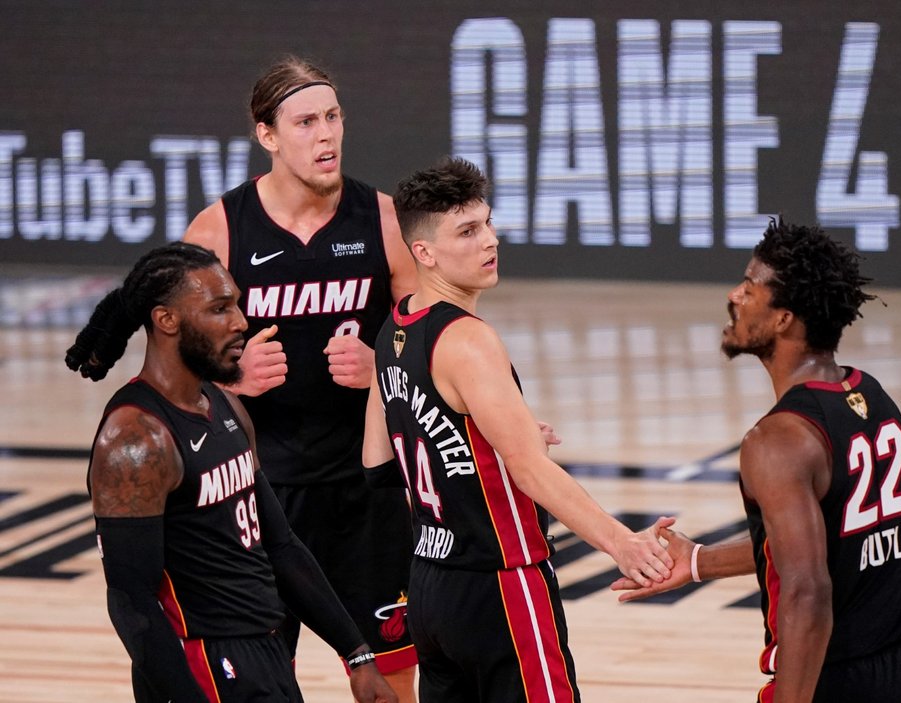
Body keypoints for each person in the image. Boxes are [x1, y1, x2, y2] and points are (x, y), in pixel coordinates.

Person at [361, 156, 676, 702]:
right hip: (502, 584)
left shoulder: (397, 324)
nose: (490, 239)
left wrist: (487, 431)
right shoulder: (469, 340)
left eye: (487, 222)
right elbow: (529, 470)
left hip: (431, 589)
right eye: (467, 230)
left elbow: (377, 463)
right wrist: (621, 544)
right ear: (423, 252)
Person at [613, 218, 901, 703]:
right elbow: (833, 542)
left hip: (841, 681)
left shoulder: (777, 440)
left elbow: (807, 593)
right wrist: (697, 561)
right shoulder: (870, 395)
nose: (734, 295)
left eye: (750, 287)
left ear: (783, 319)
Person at [65, 242, 397, 702]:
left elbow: (281, 545)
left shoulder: (226, 406)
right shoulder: (137, 439)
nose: (241, 321)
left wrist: (357, 654)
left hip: (266, 650)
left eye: (237, 304)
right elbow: (133, 605)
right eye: (220, 309)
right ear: (167, 320)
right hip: (202, 665)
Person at [182, 56, 418, 698]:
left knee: (390, 683)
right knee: (262, 684)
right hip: (262, 495)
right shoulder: (219, 231)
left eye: (334, 117)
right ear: (267, 135)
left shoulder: (387, 221)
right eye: (306, 121)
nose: (326, 135)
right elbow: (174, 375)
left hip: (367, 490)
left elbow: (437, 345)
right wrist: (230, 378)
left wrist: (383, 367)